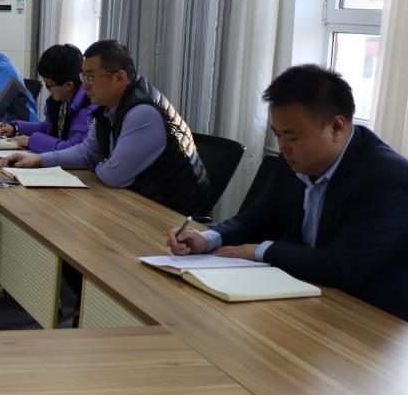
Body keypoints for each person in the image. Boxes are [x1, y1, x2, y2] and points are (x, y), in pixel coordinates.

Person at [169, 65, 408, 319]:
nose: (283, 147)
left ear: (336, 127)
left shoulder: (389, 178)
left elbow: (343, 266)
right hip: (301, 294)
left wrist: (261, 251)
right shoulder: (296, 159)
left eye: (292, 137)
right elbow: (262, 217)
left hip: (364, 316)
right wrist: (210, 238)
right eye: (278, 134)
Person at [3, 39, 210, 215]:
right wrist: (38, 160)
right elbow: (87, 152)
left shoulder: (143, 112)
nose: (85, 85)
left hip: (172, 217)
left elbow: (113, 175)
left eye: (91, 77)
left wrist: (100, 163)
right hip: (135, 203)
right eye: (84, 76)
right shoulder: (108, 106)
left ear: (120, 78)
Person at [0, 43, 95, 151]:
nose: (47, 89)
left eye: (48, 85)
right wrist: (15, 128)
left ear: (68, 85)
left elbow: (75, 148)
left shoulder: (87, 107)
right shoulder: (59, 100)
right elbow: (48, 128)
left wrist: (32, 141)